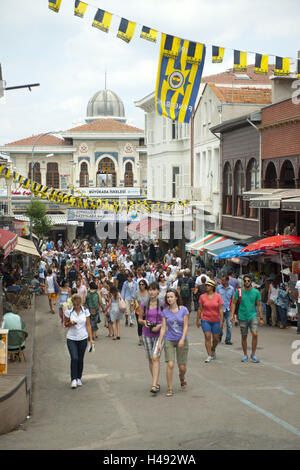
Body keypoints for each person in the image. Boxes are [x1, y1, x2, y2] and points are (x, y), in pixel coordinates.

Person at [158, 289, 189, 397]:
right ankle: (170, 388)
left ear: (176, 297)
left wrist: (182, 339)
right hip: (169, 339)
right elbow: (163, 328)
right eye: (168, 297)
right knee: (170, 364)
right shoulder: (165, 311)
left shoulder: (183, 310)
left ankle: (182, 377)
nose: (169, 299)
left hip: (182, 340)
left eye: (171, 296)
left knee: (182, 367)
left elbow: (185, 326)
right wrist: (159, 342)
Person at [230, 274, 264, 363]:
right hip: (242, 317)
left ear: (251, 282)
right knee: (244, 336)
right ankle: (245, 354)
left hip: (252, 316)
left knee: (255, 334)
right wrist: (232, 315)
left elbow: (259, 305)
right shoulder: (239, 291)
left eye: (248, 281)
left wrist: (261, 318)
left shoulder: (256, 292)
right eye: (245, 281)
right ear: (243, 282)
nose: (247, 282)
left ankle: (253, 354)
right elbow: (234, 303)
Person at [138, 282, 163, 394]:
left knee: (155, 357)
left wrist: (158, 326)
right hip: (146, 333)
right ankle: (156, 382)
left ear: (158, 291)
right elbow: (139, 319)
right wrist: (144, 322)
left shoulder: (163, 304)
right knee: (150, 359)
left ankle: (154, 385)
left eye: (154, 289)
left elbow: (166, 320)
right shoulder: (144, 304)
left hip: (159, 335)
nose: (152, 292)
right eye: (150, 290)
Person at [64, 294, 94, 389]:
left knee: (80, 359)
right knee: (74, 358)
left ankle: (78, 378)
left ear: (80, 303)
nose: (76, 306)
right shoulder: (69, 311)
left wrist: (91, 338)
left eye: (78, 304)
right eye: (75, 304)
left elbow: (88, 325)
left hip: (83, 338)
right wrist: (70, 323)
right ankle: (73, 379)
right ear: (72, 303)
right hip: (71, 338)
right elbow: (66, 324)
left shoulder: (85, 311)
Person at [197, 280, 223, 363]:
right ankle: (209, 355)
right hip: (205, 319)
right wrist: (198, 319)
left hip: (216, 320)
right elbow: (200, 309)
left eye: (208, 285)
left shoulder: (218, 296)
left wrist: (221, 320)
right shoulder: (202, 297)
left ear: (212, 287)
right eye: (206, 285)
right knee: (207, 336)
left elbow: (221, 309)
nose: (206, 287)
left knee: (216, 339)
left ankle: (213, 349)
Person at [216, 276, 235, 345]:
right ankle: (219, 336)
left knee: (229, 325)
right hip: (220, 310)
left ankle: (228, 339)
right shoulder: (218, 288)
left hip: (228, 310)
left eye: (223, 280)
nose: (222, 282)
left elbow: (233, 301)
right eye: (221, 280)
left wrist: (233, 314)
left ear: (227, 281)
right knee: (220, 326)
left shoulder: (232, 289)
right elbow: (216, 298)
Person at [134, 280, 149, 346]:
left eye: (142, 284)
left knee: (147, 325)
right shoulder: (137, 293)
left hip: (147, 312)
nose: (141, 286)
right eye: (140, 284)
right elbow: (135, 301)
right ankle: (141, 339)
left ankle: (146, 338)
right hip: (138, 312)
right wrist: (133, 306)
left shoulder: (148, 292)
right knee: (140, 326)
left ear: (145, 285)